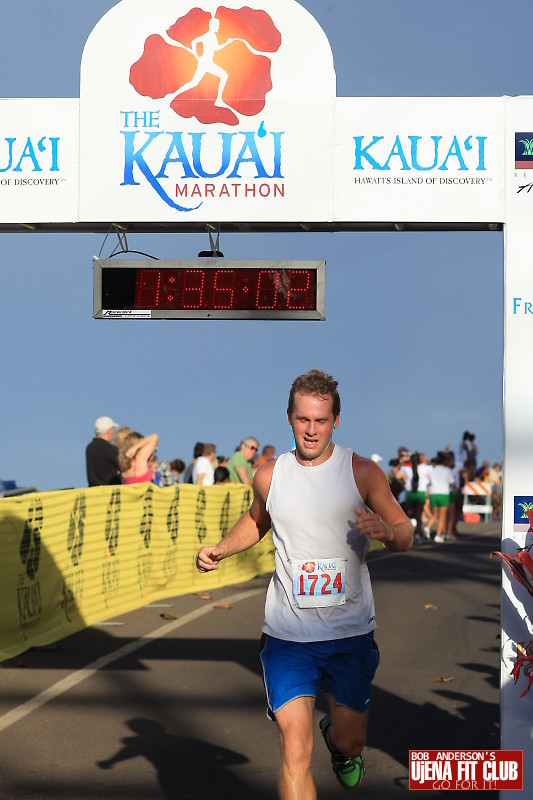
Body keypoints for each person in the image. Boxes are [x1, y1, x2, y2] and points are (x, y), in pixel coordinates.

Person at [196, 369, 412, 798]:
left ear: (336, 420)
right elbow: (257, 521)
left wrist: (386, 532)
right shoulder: (270, 475)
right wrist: (221, 548)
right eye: (303, 420)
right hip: (288, 634)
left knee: (350, 741)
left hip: (349, 632)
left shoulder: (361, 471)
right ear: (289, 417)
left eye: (321, 420)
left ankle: (343, 747)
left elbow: (405, 532)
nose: (311, 430)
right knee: (294, 748)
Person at [86, 416, 121, 487]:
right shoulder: (111, 449)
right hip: (110, 492)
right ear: (108, 431)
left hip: (93, 492)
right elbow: (123, 467)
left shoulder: (89, 448)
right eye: (112, 429)